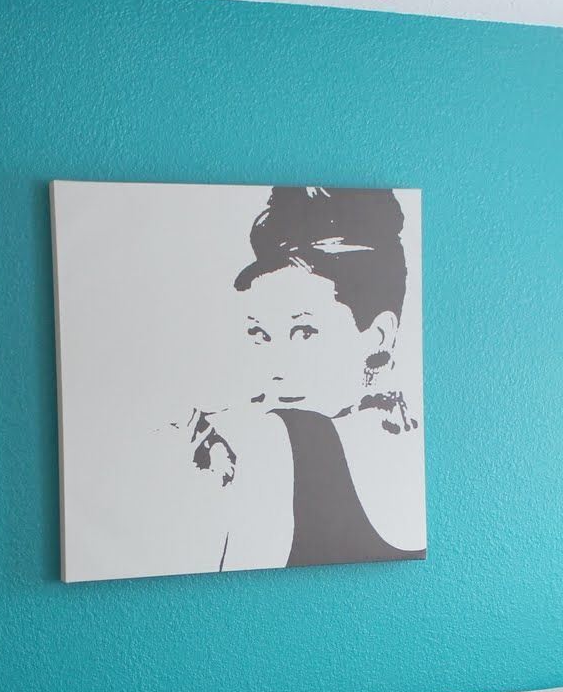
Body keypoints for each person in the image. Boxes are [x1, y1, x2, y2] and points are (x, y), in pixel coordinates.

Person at [180, 187, 425, 571]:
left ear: (379, 335)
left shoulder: (272, 441)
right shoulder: (408, 448)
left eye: (305, 333)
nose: (275, 367)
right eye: (259, 335)